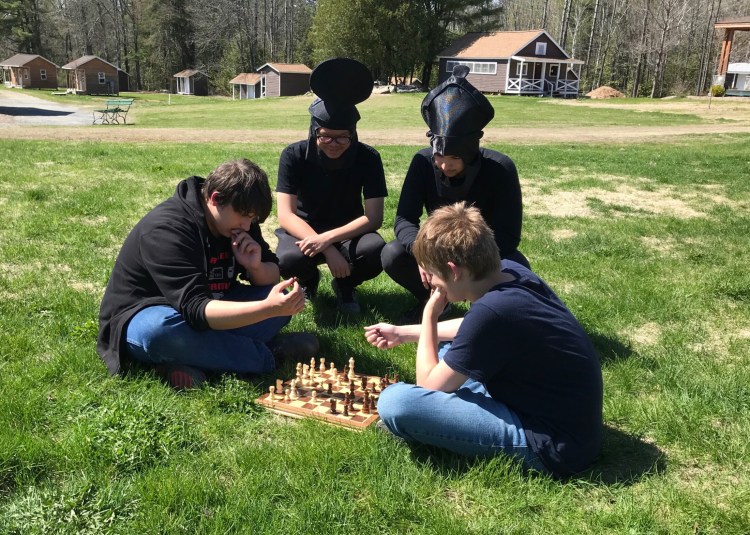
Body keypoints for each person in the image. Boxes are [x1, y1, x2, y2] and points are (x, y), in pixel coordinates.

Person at [365, 203, 602, 478]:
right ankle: (454, 412)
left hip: (550, 444)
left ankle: (427, 425)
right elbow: (471, 328)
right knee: (447, 347)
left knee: (397, 402)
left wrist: (429, 314)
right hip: (563, 420)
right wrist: (404, 332)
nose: (429, 282)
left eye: (431, 274)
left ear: (454, 271)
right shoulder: (512, 272)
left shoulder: (493, 311)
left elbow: (426, 387)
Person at [97, 159, 318, 389]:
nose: (247, 225)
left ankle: (190, 359)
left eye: (252, 219)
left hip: (213, 305)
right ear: (214, 198)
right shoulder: (166, 229)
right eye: (244, 216)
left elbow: (272, 276)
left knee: (279, 307)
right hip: (149, 313)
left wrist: (255, 267)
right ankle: (269, 354)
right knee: (159, 334)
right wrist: (267, 308)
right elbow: (197, 311)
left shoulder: (239, 217)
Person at [381, 65, 529, 323]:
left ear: (470, 152)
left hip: (484, 253)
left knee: (518, 268)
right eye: (439, 156)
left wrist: (468, 265)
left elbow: (508, 235)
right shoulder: (421, 162)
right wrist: (422, 254)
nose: (444, 165)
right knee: (392, 254)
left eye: (454, 158)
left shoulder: (501, 168)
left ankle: (486, 310)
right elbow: (404, 218)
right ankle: (433, 301)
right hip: (434, 250)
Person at [275, 57, 387, 314]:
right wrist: (324, 246)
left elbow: (374, 218)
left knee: (375, 250)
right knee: (286, 259)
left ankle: (345, 285)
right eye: (325, 136)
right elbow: (285, 214)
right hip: (302, 230)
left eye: (342, 138)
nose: (334, 143)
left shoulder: (368, 158)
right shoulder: (293, 155)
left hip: (349, 231)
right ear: (314, 131)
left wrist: (329, 240)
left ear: (353, 134)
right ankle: (308, 280)